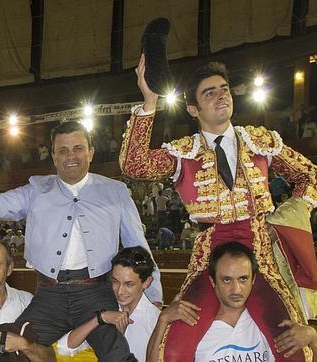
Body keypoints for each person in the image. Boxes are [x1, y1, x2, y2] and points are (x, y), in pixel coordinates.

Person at [120, 57, 317, 361]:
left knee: (293, 347)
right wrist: (149, 101)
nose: (221, 95)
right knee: (173, 348)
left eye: (224, 89)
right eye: (209, 93)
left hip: (260, 258)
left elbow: (308, 174)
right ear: (193, 109)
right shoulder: (185, 152)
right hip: (208, 259)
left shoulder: (259, 141)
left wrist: (295, 211)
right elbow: (135, 164)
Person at [0, 121, 162, 360]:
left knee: (117, 354)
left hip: (96, 293)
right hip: (50, 294)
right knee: (9, 353)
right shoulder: (36, 189)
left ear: (91, 151)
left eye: (78, 148)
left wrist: (155, 297)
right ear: (54, 156)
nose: (71, 156)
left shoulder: (115, 191)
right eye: (63, 150)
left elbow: (138, 247)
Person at [147, 242, 317, 361]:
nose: (236, 289)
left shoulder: (269, 324)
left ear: (253, 280)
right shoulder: (194, 325)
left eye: (243, 279)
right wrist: (162, 320)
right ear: (213, 282)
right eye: (227, 280)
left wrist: (313, 338)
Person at [56, 246, 160, 362]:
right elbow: (64, 347)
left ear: (146, 282)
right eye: (115, 282)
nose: (120, 291)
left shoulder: (155, 322)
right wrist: (100, 318)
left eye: (128, 284)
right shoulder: (104, 306)